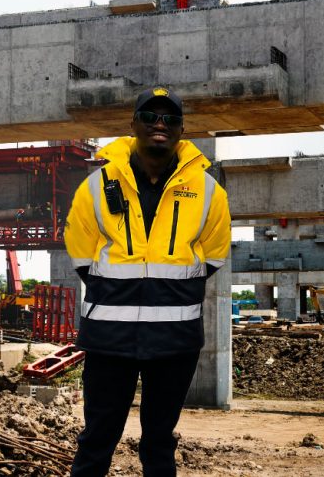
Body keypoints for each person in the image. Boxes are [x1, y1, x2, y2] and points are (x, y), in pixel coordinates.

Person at [64, 85, 231, 477]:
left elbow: (215, 255)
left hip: (174, 341)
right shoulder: (96, 186)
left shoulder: (209, 192)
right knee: (97, 440)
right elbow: (81, 255)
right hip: (109, 340)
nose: (161, 124)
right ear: (134, 124)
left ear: (181, 129)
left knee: (159, 443)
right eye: (151, 116)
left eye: (170, 118)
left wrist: (165, 292)